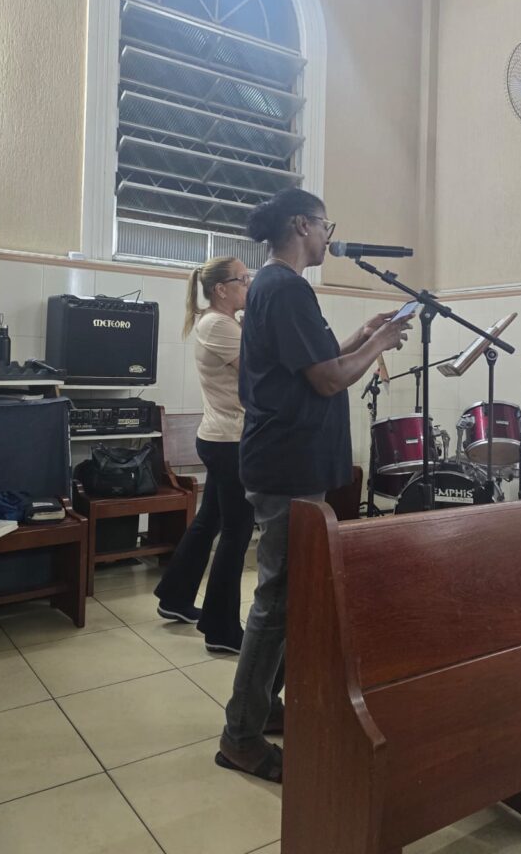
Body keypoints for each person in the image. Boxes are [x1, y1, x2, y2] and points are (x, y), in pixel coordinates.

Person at [215, 187, 411, 782]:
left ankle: (262, 707)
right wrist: (380, 344)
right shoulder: (285, 288)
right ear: (303, 225)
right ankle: (241, 737)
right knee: (277, 601)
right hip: (286, 467)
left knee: (290, 597)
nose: (330, 235)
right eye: (327, 225)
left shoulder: (280, 287)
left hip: (291, 462)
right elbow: (327, 381)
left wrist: (362, 334)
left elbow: (313, 364)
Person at [154, 256, 254, 654]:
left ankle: (175, 596)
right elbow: (257, 372)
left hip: (223, 437)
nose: (249, 284)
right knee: (236, 532)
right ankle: (221, 629)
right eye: (243, 279)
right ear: (221, 289)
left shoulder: (226, 322)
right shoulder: (218, 325)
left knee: (210, 519)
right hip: (229, 442)